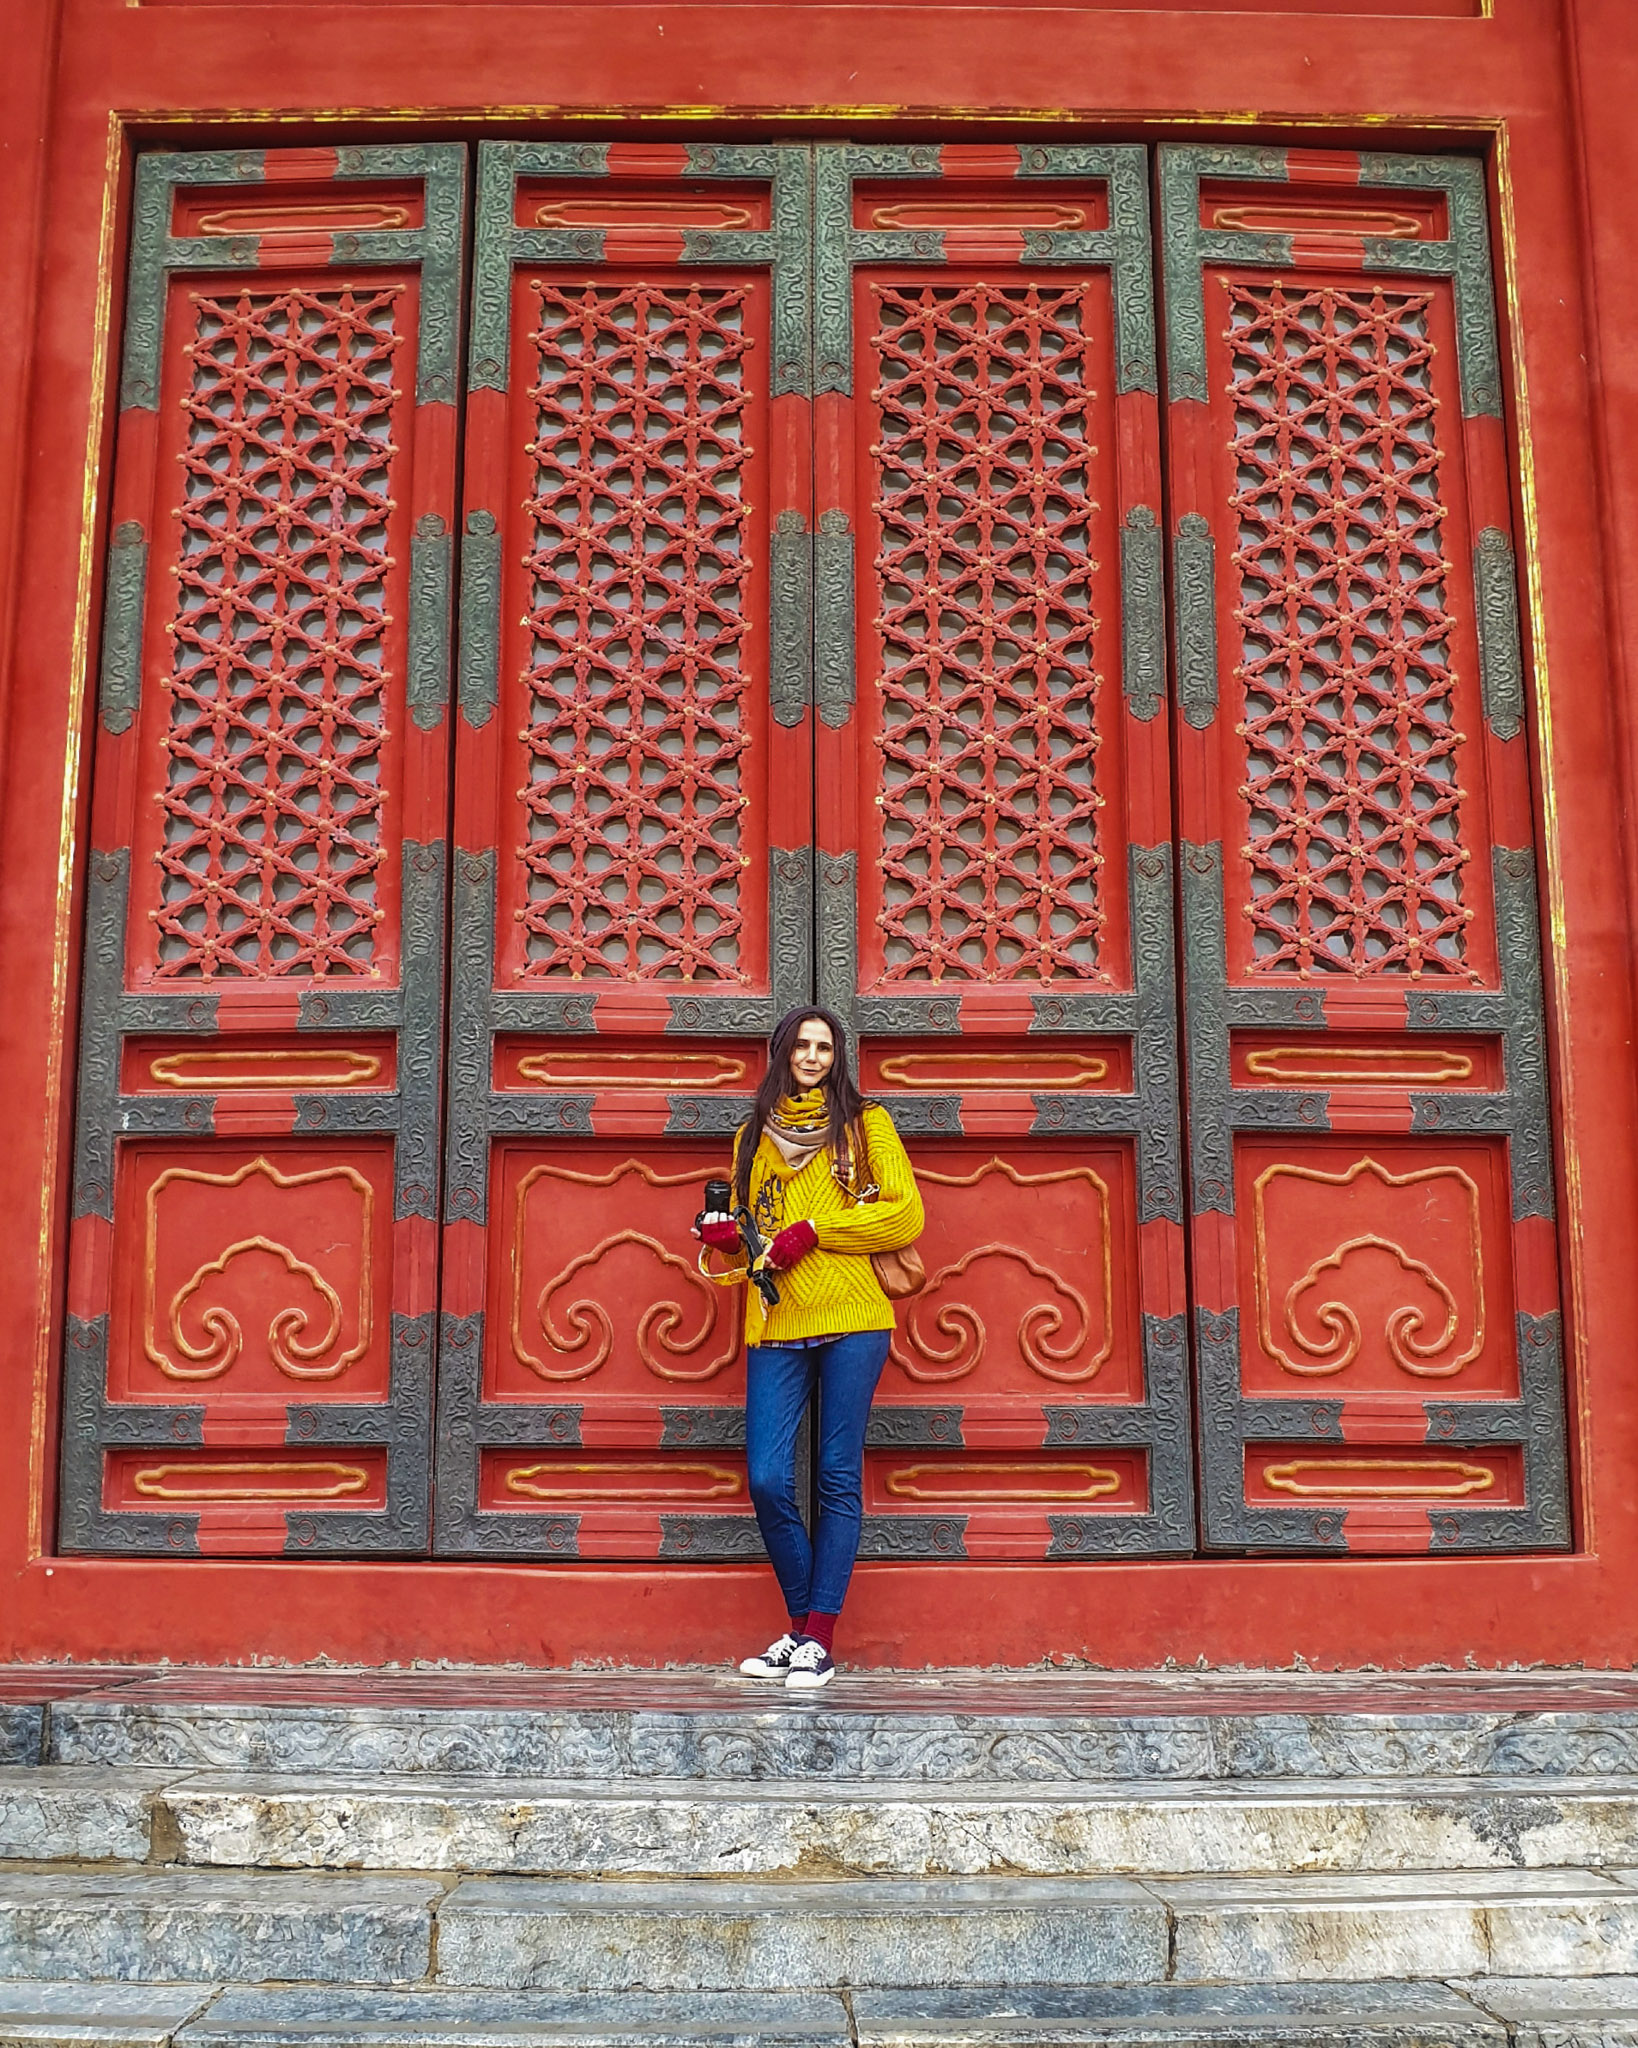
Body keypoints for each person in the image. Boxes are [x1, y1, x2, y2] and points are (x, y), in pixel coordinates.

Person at [693, 1006, 923, 1691]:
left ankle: (817, 1636)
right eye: (801, 1045)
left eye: (825, 1046)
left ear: (837, 1056)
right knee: (767, 1477)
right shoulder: (750, 1137)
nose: (814, 1056)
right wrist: (723, 1238)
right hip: (776, 1319)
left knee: (836, 1476)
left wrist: (816, 1231)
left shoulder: (866, 1123)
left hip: (855, 1315)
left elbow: (905, 1213)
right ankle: (800, 1631)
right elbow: (750, 1236)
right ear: (781, 1053)